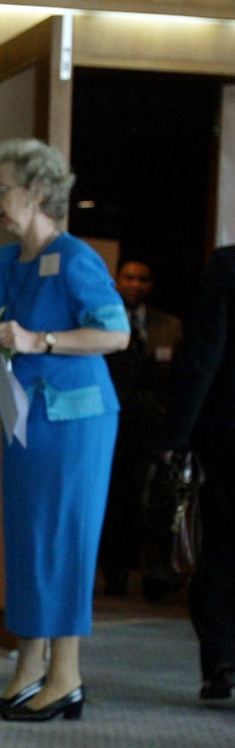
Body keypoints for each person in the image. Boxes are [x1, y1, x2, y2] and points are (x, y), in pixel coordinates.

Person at [0, 139, 129, 722]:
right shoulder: (3, 264)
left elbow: (116, 333)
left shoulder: (75, 257)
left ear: (36, 192)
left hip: (78, 420)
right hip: (24, 418)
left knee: (65, 538)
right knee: (27, 539)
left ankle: (67, 675)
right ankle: (29, 669)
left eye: (1, 188)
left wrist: (40, 340)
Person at [159, 247, 235, 701]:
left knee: (221, 547)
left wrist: (175, 434)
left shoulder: (227, 265)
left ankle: (223, 660)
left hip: (227, 432)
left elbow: (206, 349)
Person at [99, 258, 184, 597]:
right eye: (128, 277)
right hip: (112, 424)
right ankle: (114, 575)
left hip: (152, 427)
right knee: (114, 503)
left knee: (151, 504)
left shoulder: (169, 325)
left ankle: (155, 577)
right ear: (117, 280)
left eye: (142, 279)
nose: (135, 284)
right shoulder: (101, 319)